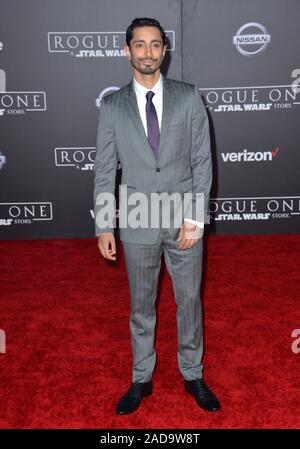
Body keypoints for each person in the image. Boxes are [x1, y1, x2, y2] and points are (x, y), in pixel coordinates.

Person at [93, 17, 220, 415]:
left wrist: (196, 219)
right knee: (141, 305)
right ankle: (141, 376)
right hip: (136, 218)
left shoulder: (188, 96)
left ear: (165, 50)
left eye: (155, 45)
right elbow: (103, 169)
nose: (148, 53)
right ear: (127, 50)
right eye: (139, 45)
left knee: (189, 301)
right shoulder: (112, 105)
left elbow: (202, 160)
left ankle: (192, 373)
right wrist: (104, 224)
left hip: (183, 218)